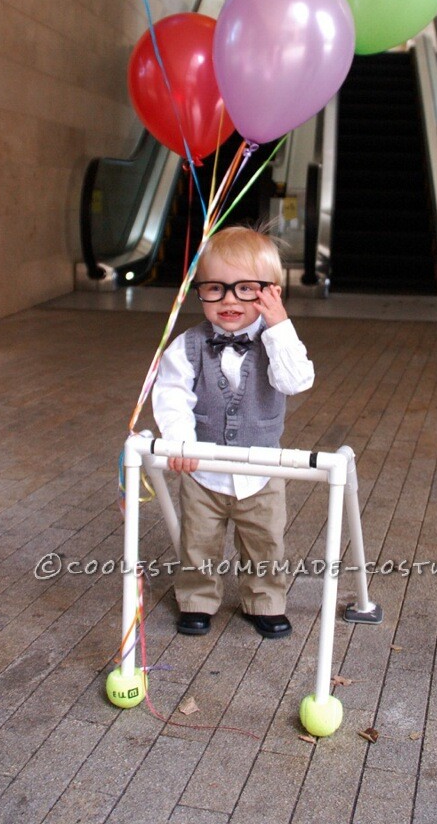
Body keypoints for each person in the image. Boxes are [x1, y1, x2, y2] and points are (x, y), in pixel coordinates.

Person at [152, 225, 315, 639]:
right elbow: (171, 395)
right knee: (198, 543)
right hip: (204, 471)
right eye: (215, 289)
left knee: (265, 544)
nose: (228, 300)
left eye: (246, 289)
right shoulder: (186, 346)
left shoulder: (277, 342)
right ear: (200, 292)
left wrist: (279, 326)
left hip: (261, 471)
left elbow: (296, 381)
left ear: (271, 293)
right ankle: (197, 599)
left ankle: (265, 601)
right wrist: (180, 442)